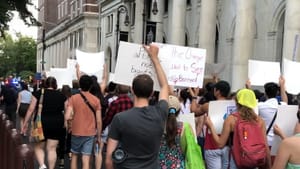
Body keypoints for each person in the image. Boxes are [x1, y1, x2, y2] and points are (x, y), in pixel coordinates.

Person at [105, 44, 169, 169]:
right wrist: (154, 58)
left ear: (132, 90)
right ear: (151, 93)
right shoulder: (160, 113)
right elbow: (165, 86)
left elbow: (109, 159)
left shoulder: (120, 118)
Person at [205, 88, 271, 169]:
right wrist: (269, 166)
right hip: (254, 160)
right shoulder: (260, 121)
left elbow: (220, 144)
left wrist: (211, 126)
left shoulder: (231, 119)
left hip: (236, 161)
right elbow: (265, 146)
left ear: (237, 102)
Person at [22, 76, 67, 169]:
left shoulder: (38, 93)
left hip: (41, 124)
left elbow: (31, 109)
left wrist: (25, 123)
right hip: (57, 123)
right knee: (52, 149)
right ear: (55, 85)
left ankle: (42, 165)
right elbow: (66, 111)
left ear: (45, 84)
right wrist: (66, 123)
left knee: (38, 147)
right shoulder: (62, 95)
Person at [189, 80, 231, 169]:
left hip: (212, 146)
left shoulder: (209, 105)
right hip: (228, 145)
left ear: (218, 92)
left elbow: (193, 111)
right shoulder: (234, 105)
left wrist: (194, 96)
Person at [64, 75, 102, 169]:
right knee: (86, 159)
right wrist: (99, 136)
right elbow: (99, 121)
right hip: (90, 133)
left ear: (80, 85)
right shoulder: (96, 100)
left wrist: (70, 125)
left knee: (74, 156)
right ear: (91, 86)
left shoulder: (73, 98)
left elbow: (67, 116)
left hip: (76, 131)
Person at [159, 95, 185, 169]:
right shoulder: (184, 127)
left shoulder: (155, 126)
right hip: (178, 166)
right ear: (179, 111)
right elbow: (186, 149)